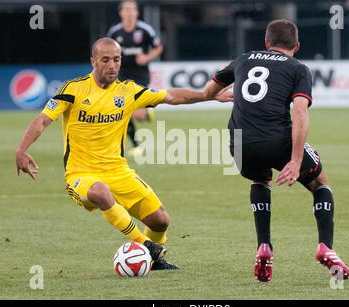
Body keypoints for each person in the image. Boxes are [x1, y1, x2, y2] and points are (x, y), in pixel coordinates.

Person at [15, 37, 232, 270]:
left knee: (161, 220)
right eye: (105, 60)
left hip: (118, 171)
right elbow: (43, 120)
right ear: (93, 61)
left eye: (116, 60)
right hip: (81, 174)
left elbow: (171, 96)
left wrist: (208, 96)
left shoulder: (128, 91)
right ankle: (145, 245)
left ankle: (155, 261)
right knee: (100, 191)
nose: (111, 65)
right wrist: (22, 149)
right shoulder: (74, 89)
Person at [203, 19, 349, 282]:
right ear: (297, 45)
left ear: (267, 43)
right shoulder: (298, 68)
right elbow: (300, 112)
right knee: (320, 183)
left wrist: (219, 96)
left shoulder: (244, 58)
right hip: (277, 140)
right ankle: (326, 247)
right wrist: (295, 160)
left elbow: (208, 91)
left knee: (260, 178)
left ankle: (264, 246)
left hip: (239, 143)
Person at [107, 0, 163, 157]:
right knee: (123, 110)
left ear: (137, 12)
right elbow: (107, 49)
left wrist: (147, 57)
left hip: (141, 75)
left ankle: (146, 114)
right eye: (126, 9)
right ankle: (136, 144)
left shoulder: (145, 30)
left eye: (133, 9)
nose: (130, 12)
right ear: (121, 12)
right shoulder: (114, 32)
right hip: (122, 75)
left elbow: (158, 47)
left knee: (137, 114)